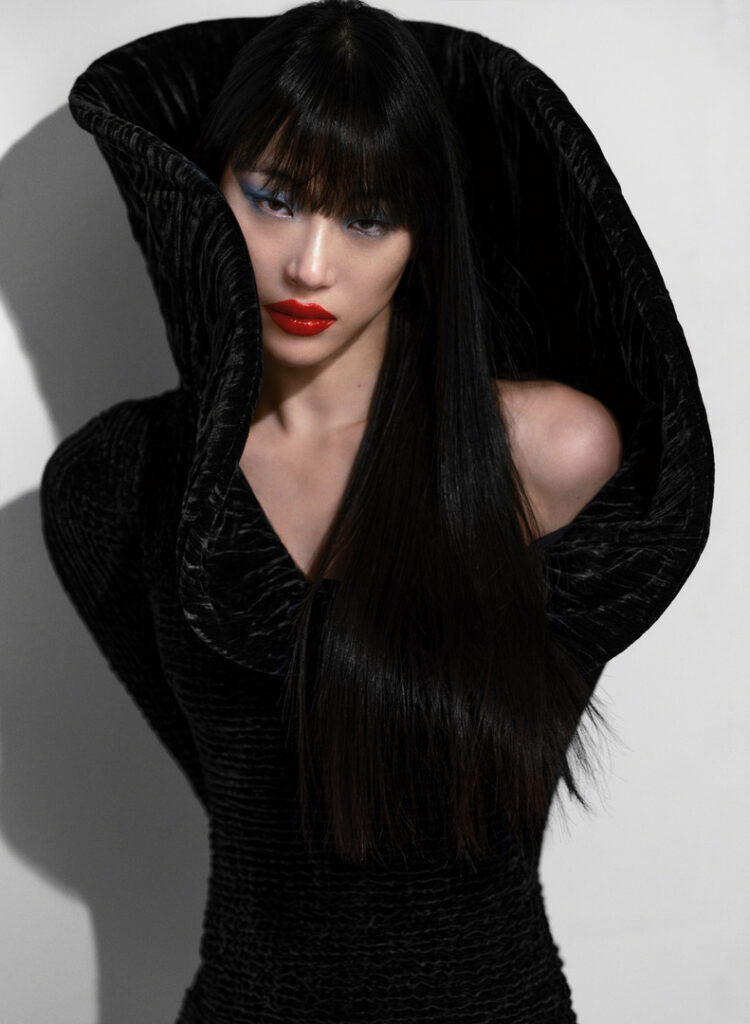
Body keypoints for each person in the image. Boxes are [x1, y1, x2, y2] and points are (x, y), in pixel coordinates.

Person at [40, 2, 714, 1021]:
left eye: (366, 217)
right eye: (273, 199)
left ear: (422, 235)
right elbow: (245, 796)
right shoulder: (118, 482)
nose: (310, 265)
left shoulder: (546, 453)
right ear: (210, 184)